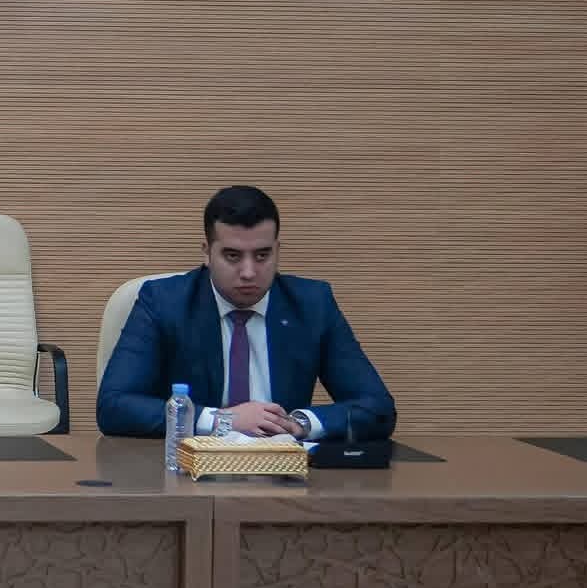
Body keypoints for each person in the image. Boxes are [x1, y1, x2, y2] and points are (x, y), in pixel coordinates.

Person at [97, 185, 396, 440]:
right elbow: (114, 406)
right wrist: (221, 421)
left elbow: (377, 407)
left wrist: (300, 423)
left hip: (282, 471)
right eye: (232, 256)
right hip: (189, 471)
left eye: (262, 255)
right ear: (206, 252)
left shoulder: (312, 305)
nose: (249, 272)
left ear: (278, 250)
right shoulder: (164, 302)